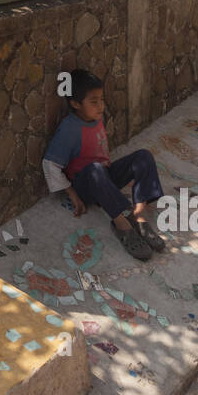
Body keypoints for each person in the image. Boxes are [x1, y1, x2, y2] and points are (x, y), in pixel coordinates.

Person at [43, 69, 166, 262]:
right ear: (75, 104)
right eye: (94, 101)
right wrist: (72, 194)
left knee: (143, 157)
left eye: (101, 99)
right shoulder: (69, 129)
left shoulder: (94, 117)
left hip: (104, 177)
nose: (101, 106)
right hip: (87, 185)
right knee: (95, 169)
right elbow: (50, 164)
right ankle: (122, 225)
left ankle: (139, 217)